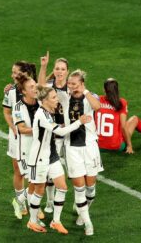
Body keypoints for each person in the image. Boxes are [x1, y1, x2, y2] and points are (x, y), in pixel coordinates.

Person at [26, 85, 92, 233]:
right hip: (39, 159)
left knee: (62, 187)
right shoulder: (41, 115)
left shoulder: (49, 112)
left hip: (52, 156)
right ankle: (32, 221)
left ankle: (56, 221)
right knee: (39, 191)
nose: (57, 100)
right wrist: (79, 122)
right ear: (44, 100)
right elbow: (60, 131)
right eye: (54, 97)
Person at [57, 69, 103, 236]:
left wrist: (84, 91)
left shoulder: (91, 97)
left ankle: (84, 212)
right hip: (72, 148)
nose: (71, 86)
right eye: (69, 83)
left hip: (90, 147)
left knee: (91, 188)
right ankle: (88, 223)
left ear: (82, 84)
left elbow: (97, 107)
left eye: (74, 84)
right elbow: (42, 88)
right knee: (79, 188)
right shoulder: (64, 97)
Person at [2, 61, 37, 217]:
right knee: (19, 171)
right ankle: (21, 202)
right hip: (17, 136)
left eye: (15, 72)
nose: (12, 75)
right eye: (12, 72)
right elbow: (7, 112)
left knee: (35, 172)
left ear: (25, 74)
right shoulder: (10, 91)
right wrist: (13, 128)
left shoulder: (35, 89)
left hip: (34, 136)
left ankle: (33, 202)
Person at [38, 52, 69, 213]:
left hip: (70, 136)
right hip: (55, 135)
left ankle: (79, 203)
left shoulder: (72, 87)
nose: (59, 71)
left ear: (67, 71)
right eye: (57, 68)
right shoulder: (50, 86)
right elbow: (40, 87)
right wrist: (44, 66)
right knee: (52, 171)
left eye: (63, 69)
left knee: (72, 170)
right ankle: (50, 202)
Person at [95, 78, 141, 154]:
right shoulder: (121, 102)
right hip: (117, 147)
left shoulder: (97, 100)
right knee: (134, 119)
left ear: (104, 89)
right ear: (118, 89)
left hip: (98, 146)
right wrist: (129, 146)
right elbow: (123, 127)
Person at [10, 75, 41, 223]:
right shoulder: (17, 108)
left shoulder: (41, 102)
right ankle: (30, 212)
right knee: (34, 182)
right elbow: (21, 129)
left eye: (35, 86)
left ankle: (21, 201)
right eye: (31, 87)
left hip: (40, 149)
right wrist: (40, 129)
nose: (35, 89)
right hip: (26, 151)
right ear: (23, 91)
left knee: (38, 181)